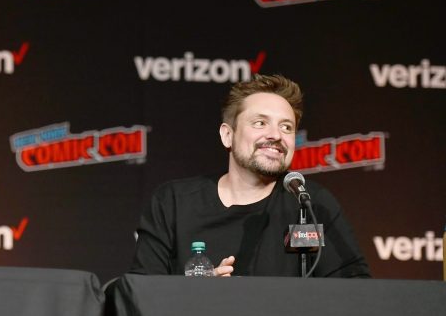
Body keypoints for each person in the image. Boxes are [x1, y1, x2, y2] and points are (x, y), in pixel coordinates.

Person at [131, 74, 370, 277]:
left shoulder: (311, 203)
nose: (276, 135)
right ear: (227, 136)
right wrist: (196, 295)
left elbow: (355, 293)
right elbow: (140, 295)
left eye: (287, 127)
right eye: (260, 123)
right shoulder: (174, 202)